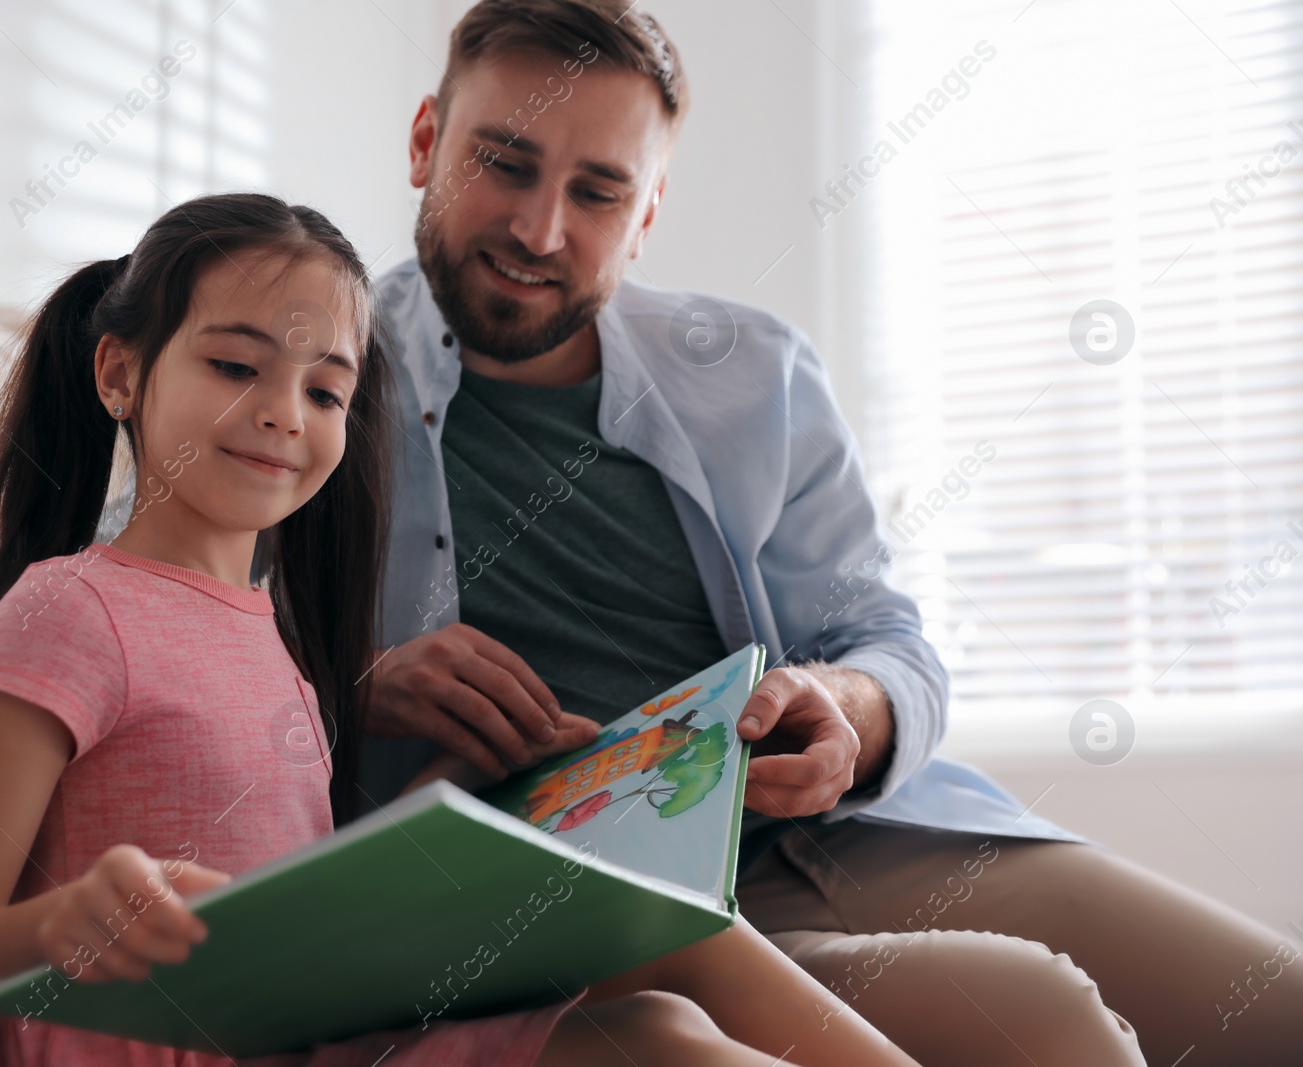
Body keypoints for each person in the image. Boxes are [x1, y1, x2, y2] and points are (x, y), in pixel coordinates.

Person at [355, 3, 1303, 1065]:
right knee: (1051, 1018)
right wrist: (362, 681)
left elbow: (890, 640)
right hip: (604, 906)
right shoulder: (301, 386)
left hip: (849, 832)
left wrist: (847, 709)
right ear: (426, 141)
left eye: (597, 191)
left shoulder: (754, 372)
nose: (540, 229)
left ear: (649, 208)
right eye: (505, 163)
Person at [0, 191, 922, 1067]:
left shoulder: (278, 640)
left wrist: (522, 802)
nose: (286, 412)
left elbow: (301, 901)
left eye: (325, 388)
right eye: (236, 368)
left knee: (670, 952)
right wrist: (60, 927)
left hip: (311, 1031)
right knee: (662, 1040)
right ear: (119, 372)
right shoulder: (70, 608)